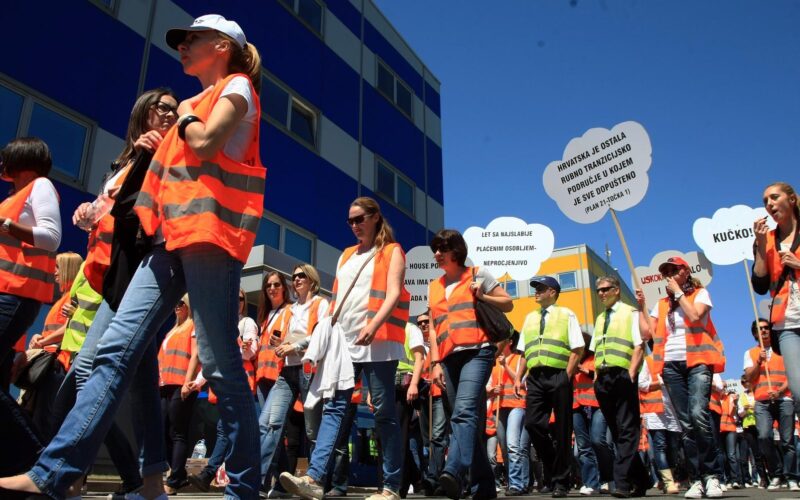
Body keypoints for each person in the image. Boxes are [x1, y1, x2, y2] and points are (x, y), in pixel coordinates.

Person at [0, 14, 266, 499]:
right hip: (166, 243)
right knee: (113, 351)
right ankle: (52, 474)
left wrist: (185, 116)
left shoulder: (236, 88)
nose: (182, 46)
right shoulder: (194, 104)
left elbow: (206, 143)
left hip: (208, 240)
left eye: (193, 39)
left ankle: (244, 488)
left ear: (222, 46)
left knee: (220, 364)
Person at [49, 87, 179, 500]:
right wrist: (88, 213)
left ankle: (63, 472)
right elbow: (109, 208)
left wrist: (149, 157)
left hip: (143, 270)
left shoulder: (170, 152)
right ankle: (149, 482)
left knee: (90, 367)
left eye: (174, 110)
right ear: (143, 111)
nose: (170, 114)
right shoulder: (126, 160)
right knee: (140, 381)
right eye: (163, 108)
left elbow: (150, 207)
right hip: (114, 273)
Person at [280, 197, 410, 500]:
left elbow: (393, 294)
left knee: (384, 413)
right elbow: (338, 301)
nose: (354, 225)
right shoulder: (346, 255)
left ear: (375, 217)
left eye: (359, 219)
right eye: (350, 221)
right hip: (345, 343)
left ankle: (391, 487)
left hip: (380, 342)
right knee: (335, 407)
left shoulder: (392, 251)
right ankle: (314, 478)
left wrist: (373, 325)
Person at [424, 228, 512, 500]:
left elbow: (507, 303)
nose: (437, 254)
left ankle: (453, 471)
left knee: (463, 413)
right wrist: (435, 363)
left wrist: (483, 296)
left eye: (443, 248)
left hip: (478, 352)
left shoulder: (477, 274)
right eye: (435, 249)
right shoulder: (434, 286)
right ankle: (484, 487)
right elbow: (434, 329)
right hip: (448, 358)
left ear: (457, 250)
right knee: (465, 422)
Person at [639, 256, 725, 499]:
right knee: (686, 424)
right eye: (666, 272)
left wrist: (678, 293)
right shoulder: (661, 304)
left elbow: (695, 316)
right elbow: (646, 333)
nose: (669, 275)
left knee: (698, 415)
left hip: (698, 361)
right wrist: (640, 307)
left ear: (686, 272)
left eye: (674, 270)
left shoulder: (699, 294)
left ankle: (712, 475)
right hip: (671, 366)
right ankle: (696, 478)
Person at [0, 137, 61, 476]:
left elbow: (51, 237)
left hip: (15, 295)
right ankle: (17, 469)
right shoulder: (14, 197)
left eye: (6, 157)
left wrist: (6, 225)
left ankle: (40, 464)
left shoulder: (40, 187)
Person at [258, 266, 328, 495]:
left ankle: (316, 481)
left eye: (301, 276)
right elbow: (284, 339)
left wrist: (295, 346)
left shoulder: (321, 304)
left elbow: (321, 335)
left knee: (312, 430)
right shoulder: (290, 310)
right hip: (287, 371)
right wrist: (279, 345)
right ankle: (258, 481)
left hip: (310, 370)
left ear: (312, 280)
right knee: (269, 423)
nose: (296, 279)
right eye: (294, 276)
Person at [514, 275, 583, 498]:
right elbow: (524, 352)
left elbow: (577, 349)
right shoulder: (529, 318)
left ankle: (561, 482)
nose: (536, 291)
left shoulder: (567, 314)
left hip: (558, 375)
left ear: (552, 292)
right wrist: (518, 377)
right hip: (535, 377)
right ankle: (555, 468)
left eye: (541, 288)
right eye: (536, 288)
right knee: (533, 424)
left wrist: (566, 376)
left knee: (563, 429)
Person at [190, 287, 259, 492]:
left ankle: (209, 473)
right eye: (233, 297)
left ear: (244, 302)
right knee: (233, 431)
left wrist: (240, 349)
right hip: (225, 386)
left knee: (225, 429)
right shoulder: (222, 327)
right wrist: (198, 382)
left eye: (240, 299)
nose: (237, 301)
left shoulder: (247, 323)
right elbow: (213, 359)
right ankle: (265, 475)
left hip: (241, 383)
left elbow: (250, 352)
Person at [590, 276, 647, 497]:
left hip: (623, 375)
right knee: (616, 431)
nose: (601, 293)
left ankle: (621, 481)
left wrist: (631, 372)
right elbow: (597, 349)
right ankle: (641, 479)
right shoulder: (600, 318)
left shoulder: (630, 312)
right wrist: (596, 376)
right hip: (603, 379)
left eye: (606, 289)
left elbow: (639, 345)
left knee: (627, 429)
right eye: (599, 290)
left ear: (617, 290)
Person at [753, 182, 800, 415]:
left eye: (774, 197)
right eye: (765, 201)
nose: (769, 204)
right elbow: (760, 286)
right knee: (798, 390)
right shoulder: (766, 239)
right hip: (787, 321)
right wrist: (761, 246)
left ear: (791, 200)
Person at [24, 252, 82, 440]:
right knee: (40, 417)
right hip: (50, 363)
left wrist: (42, 342)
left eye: (58, 267)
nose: (54, 272)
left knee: (45, 420)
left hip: (57, 363)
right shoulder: (64, 298)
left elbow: (69, 329)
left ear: (68, 269)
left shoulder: (72, 298)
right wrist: (40, 337)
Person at [743, 318, 799, 491]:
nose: (764, 331)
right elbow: (749, 378)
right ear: (755, 333)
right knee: (764, 437)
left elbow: (793, 374)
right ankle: (776, 473)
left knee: (787, 441)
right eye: (760, 329)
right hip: (762, 400)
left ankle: (792, 477)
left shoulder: (783, 350)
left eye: (766, 328)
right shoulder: (750, 353)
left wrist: (780, 391)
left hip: (784, 399)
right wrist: (758, 362)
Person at [157, 294, 200, 494]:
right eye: (175, 303)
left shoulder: (193, 326)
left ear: (188, 306)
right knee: (164, 430)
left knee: (177, 432)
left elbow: (195, 355)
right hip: (165, 385)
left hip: (182, 385)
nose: (177, 306)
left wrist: (187, 382)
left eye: (180, 303)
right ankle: (178, 474)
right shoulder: (172, 330)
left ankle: (174, 480)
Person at [571, 334, 613, 496]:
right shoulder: (571, 359)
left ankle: (608, 478)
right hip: (576, 405)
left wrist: (586, 370)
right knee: (583, 447)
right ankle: (591, 483)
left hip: (597, 404)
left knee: (598, 441)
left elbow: (602, 377)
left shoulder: (596, 358)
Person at [416, 309, 450, 497]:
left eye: (426, 322)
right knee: (430, 439)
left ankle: (435, 477)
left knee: (439, 436)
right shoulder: (418, 345)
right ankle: (438, 477)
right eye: (420, 323)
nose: (423, 325)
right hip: (426, 397)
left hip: (441, 393)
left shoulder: (440, 339)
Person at [492, 336, 530, 496]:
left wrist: (505, 365)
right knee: (504, 447)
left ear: (510, 342)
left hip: (516, 404)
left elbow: (520, 381)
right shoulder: (493, 361)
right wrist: (492, 390)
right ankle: (513, 481)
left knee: (513, 445)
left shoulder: (519, 359)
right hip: (499, 406)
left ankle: (516, 484)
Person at [638, 352, 681, 494]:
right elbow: (641, 383)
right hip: (655, 410)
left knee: (673, 448)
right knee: (660, 445)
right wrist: (660, 383)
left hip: (673, 410)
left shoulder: (674, 359)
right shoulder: (649, 360)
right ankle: (669, 482)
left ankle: (666, 479)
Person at [395, 321, 427, 497]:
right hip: (387, 387)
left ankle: (398, 485)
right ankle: (415, 478)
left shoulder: (410, 329)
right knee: (386, 437)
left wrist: (414, 384)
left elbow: (419, 358)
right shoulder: (387, 327)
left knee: (400, 437)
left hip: (403, 388)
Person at [737, 376, 767, 487]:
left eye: (747, 382)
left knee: (765, 451)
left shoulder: (758, 393)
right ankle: (763, 478)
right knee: (756, 453)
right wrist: (745, 409)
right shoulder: (742, 396)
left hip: (761, 424)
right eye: (744, 383)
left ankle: (774, 475)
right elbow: (740, 414)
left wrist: (755, 409)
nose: (746, 384)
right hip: (748, 426)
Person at [719, 388, 742, 489]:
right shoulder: (713, 399)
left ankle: (735, 480)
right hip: (719, 430)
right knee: (722, 456)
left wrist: (735, 403)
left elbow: (732, 413)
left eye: (724, 388)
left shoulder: (729, 398)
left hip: (730, 429)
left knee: (731, 455)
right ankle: (727, 479)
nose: (723, 390)